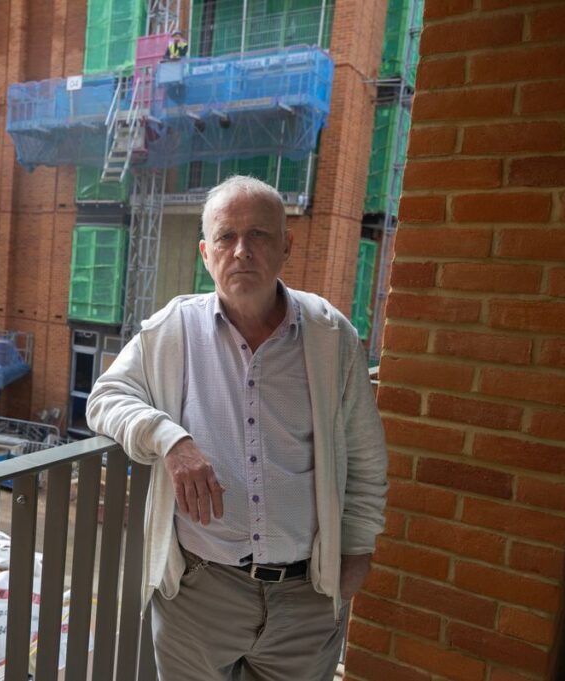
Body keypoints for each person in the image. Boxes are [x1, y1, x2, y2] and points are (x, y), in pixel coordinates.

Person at [87, 175, 387, 680]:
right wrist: (170, 440)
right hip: (201, 594)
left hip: (306, 595)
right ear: (206, 252)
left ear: (286, 246)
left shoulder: (331, 335)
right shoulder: (172, 330)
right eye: (226, 237)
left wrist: (357, 552)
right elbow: (105, 398)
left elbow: (365, 457)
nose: (241, 251)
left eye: (260, 236)